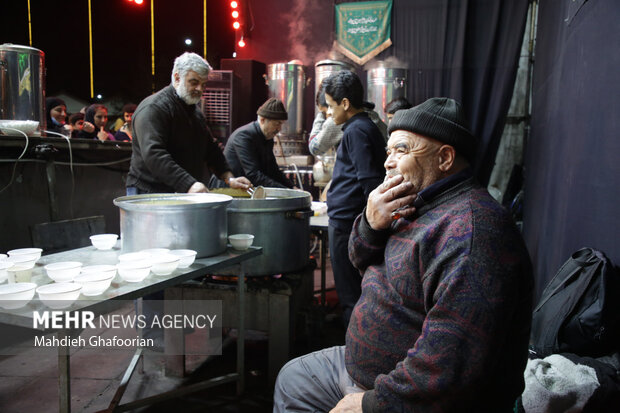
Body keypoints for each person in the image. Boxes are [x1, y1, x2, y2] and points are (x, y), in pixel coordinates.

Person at [273, 97, 534, 413]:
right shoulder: (413, 201)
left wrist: (373, 404)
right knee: (293, 378)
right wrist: (370, 222)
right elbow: (357, 259)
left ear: (445, 158)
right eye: (388, 151)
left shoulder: (474, 233)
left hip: (403, 395)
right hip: (366, 369)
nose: (387, 161)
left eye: (402, 150)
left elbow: (449, 367)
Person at [127, 52, 251, 194]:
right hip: (148, 191)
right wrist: (188, 184)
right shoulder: (154, 108)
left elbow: (210, 149)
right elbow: (154, 155)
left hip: (178, 191)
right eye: (194, 82)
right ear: (177, 78)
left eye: (203, 84)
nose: (200, 89)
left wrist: (229, 178)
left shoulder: (195, 112)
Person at [323, 70, 386, 326]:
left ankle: (354, 356)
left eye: (330, 105)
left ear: (345, 103)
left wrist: (369, 225)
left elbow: (369, 181)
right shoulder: (363, 126)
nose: (329, 112)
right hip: (348, 221)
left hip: (347, 224)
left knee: (350, 295)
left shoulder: (356, 131)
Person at [223, 98, 294, 188]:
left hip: (244, 189)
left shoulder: (268, 137)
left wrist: (292, 188)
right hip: (226, 188)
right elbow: (253, 174)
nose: (279, 129)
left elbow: (273, 171)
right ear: (262, 120)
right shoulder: (244, 136)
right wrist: (286, 191)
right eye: (277, 124)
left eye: (281, 124)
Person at [308, 84, 342, 157]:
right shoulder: (368, 115)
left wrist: (320, 115)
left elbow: (314, 148)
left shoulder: (336, 120)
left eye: (324, 112)